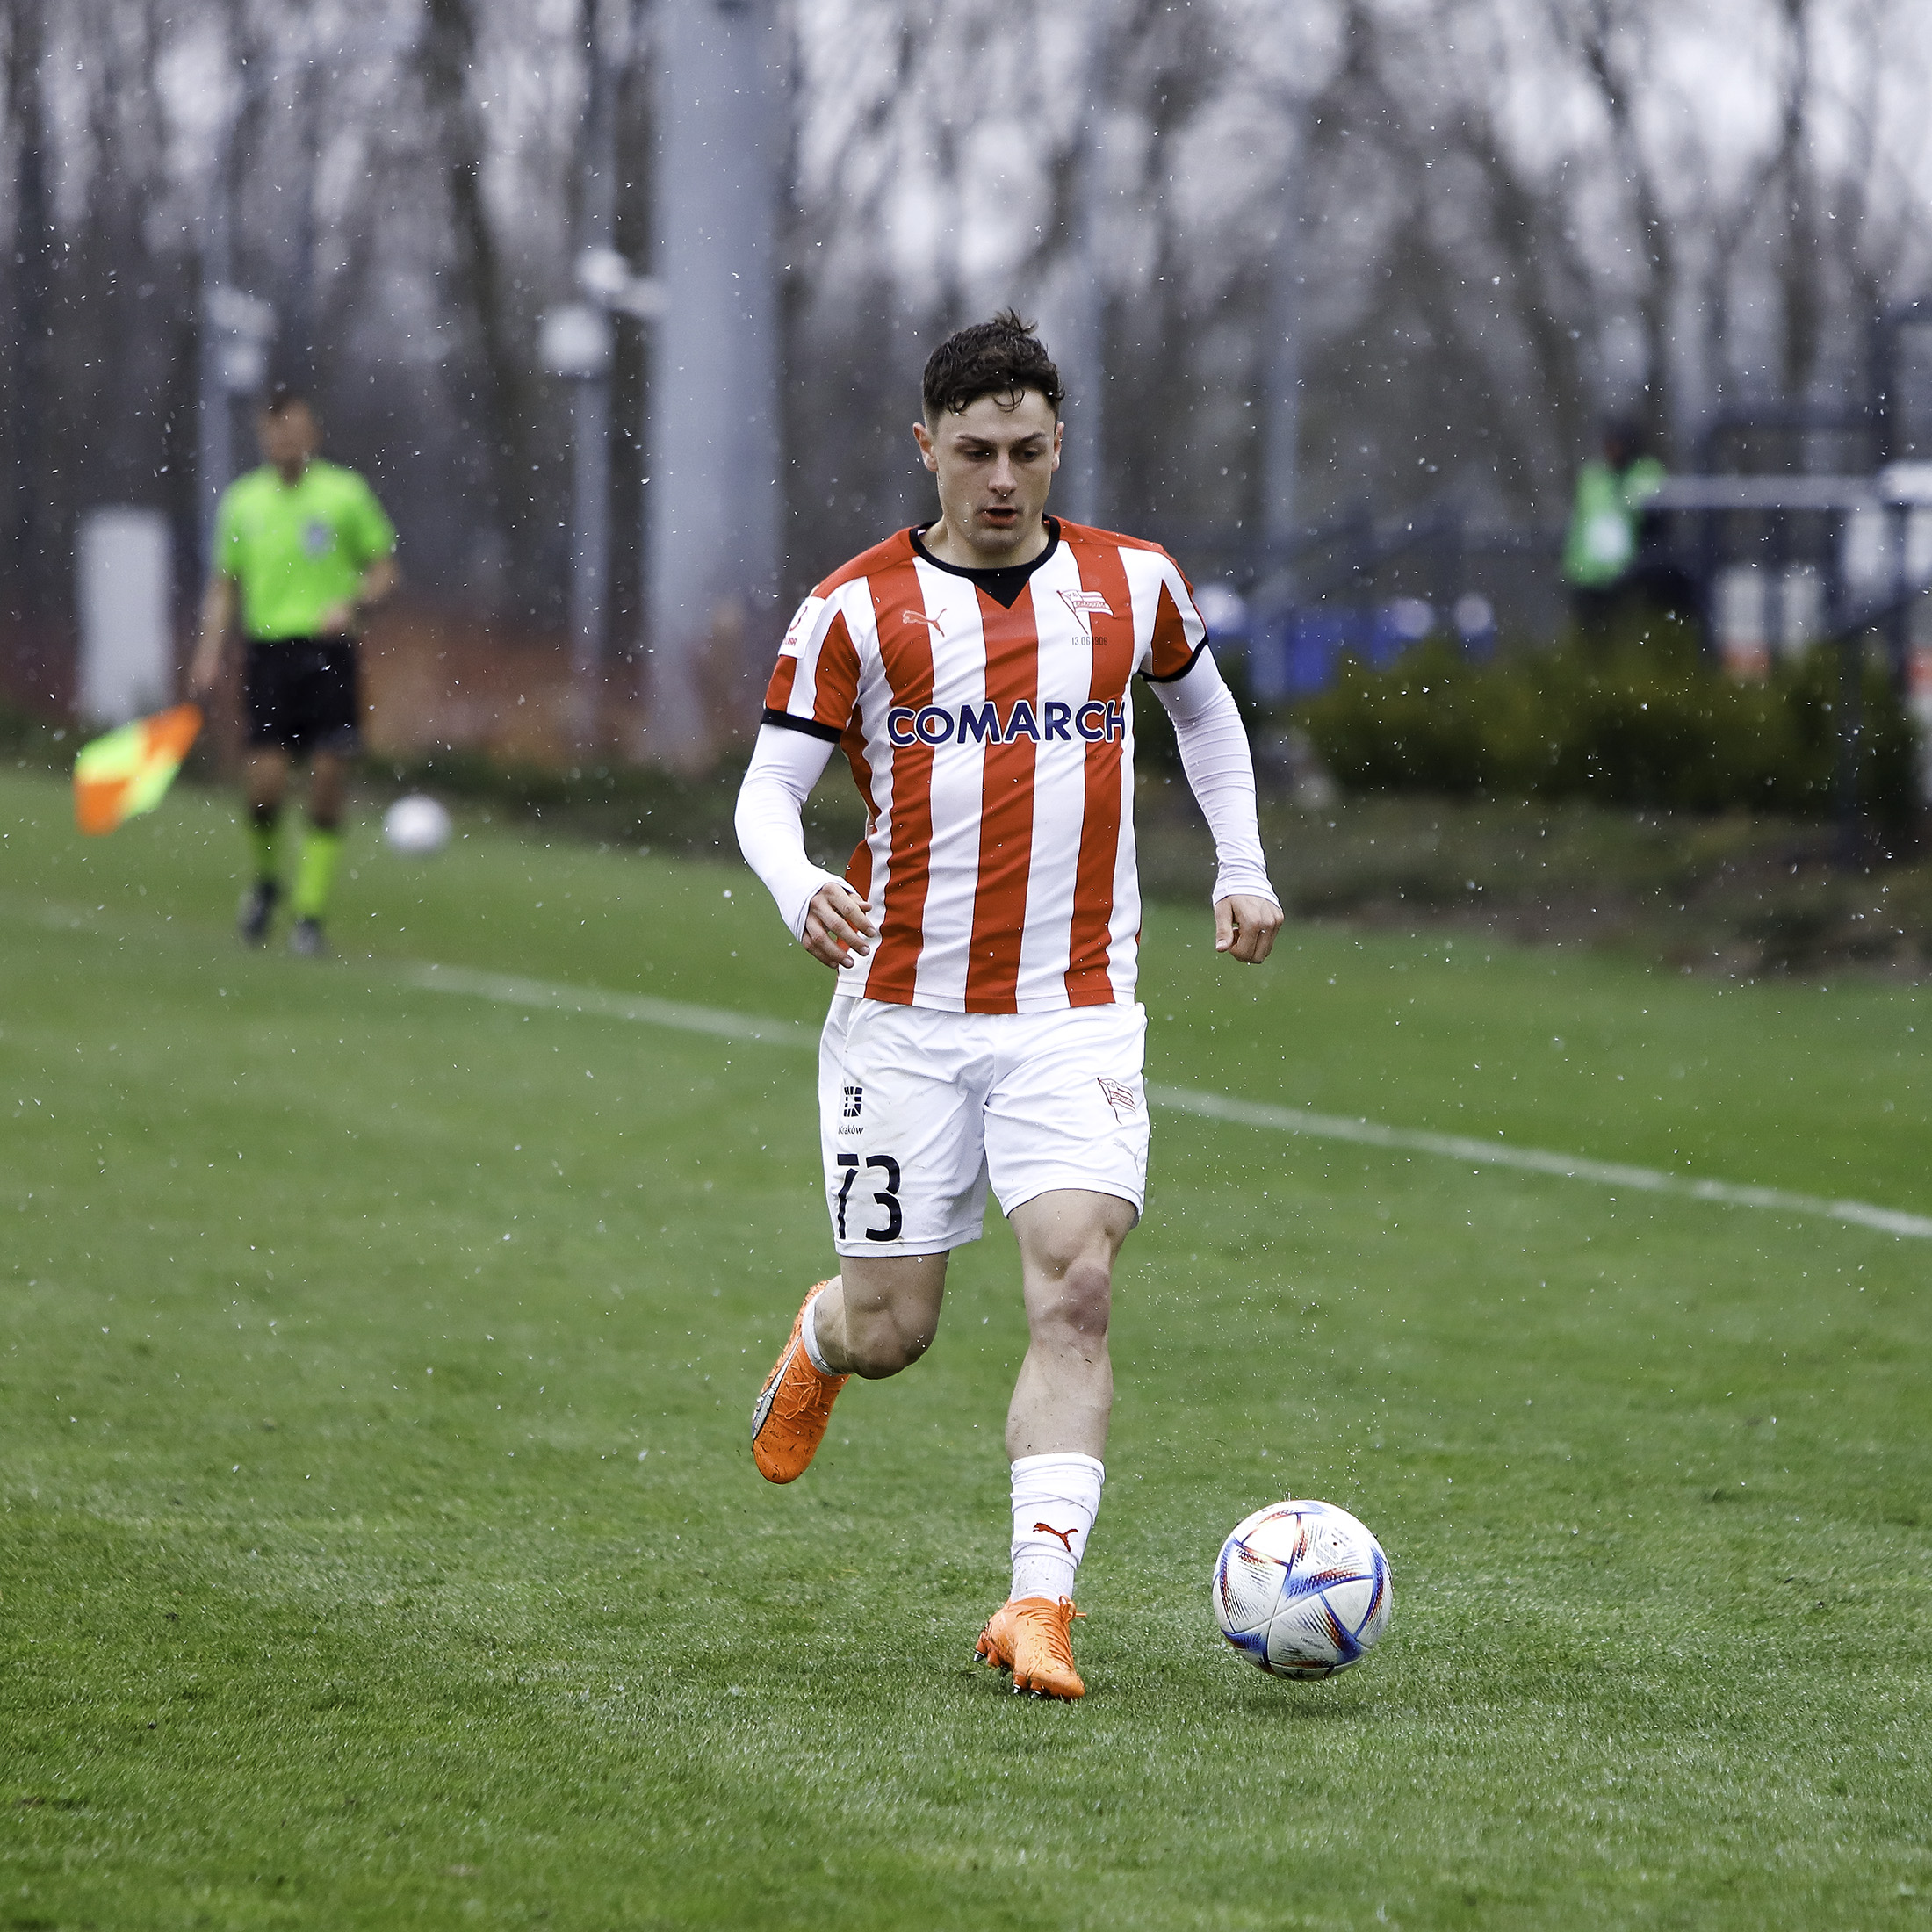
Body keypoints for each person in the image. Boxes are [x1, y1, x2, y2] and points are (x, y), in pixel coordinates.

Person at [734, 311, 1283, 1699]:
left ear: (1059, 446)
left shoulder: (1133, 584)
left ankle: (1038, 1606)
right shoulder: (853, 609)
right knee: (896, 1329)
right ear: (925, 447)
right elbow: (768, 792)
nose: (1001, 478)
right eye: (974, 451)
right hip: (902, 1014)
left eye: (1027, 451)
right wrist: (797, 884)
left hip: (1073, 1009)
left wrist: (1242, 863)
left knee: (1078, 1288)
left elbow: (1205, 715)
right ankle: (824, 1338)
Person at [189, 388, 398, 955]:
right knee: (265, 787)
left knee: (328, 779)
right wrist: (208, 650)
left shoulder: (345, 495)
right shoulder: (243, 503)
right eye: (275, 431)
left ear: (313, 435)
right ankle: (266, 881)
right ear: (263, 437)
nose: (285, 441)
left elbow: (384, 571)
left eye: (294, 430)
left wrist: (353, 603)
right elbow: (225, 584)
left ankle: (309, 914)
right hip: (269, 657)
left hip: (330, 654)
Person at [1561, 417, 1672, 642]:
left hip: (1629, 574)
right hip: (1590, 575)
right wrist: (1573, 567)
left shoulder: (1645, 473)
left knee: (1627, 634)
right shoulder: (1594, 478)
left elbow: (1645, 512)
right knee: (1594, 636)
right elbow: (1582, 524)